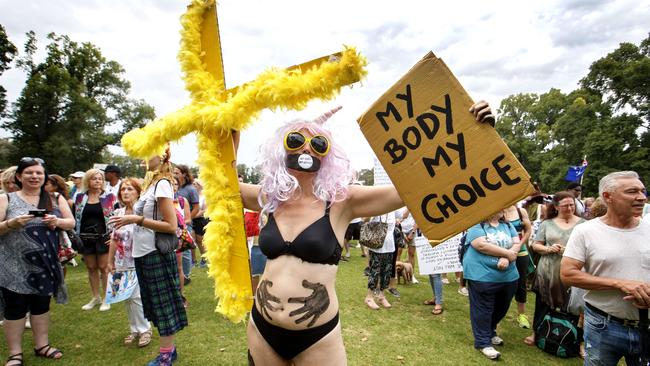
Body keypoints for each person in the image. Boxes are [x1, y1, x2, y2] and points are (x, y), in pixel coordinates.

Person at [239, 101, 496, 364]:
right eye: (295, 140)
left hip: (317, 337)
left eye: (318, 144)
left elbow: (411, 187)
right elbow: (222, 179)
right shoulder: (270, 197)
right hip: (263, 327)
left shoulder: (341, 201)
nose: (306, 147)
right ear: (281, 147)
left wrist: (472, 133)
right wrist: (230, 123)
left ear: (326, 156)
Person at [561, 171, 650, 366]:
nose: (642, 197)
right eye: (632, 191)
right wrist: (619, 284)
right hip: (604, 325)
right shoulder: (586, 231)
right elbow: (567, 274)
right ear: (607, 197)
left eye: (643, 191)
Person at [109, 149, 186, 366]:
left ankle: (166, 355)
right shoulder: (151, 184)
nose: (143, 157)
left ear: (161, 156)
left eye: (148, 152)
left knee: (163, 307)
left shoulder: (162, 183)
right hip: (142, 253)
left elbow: (171, 226)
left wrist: (136, 219)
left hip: (155, 253)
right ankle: (169, 350)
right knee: (153, 305)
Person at [0, 157, 75, 365]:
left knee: (41, 305)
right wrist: (11, 223)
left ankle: (42, 345)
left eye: (39, 173)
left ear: (44, 177)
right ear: (18, 176)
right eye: (29, 173)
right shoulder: (6, 199)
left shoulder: (55, 197)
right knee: (15, 308)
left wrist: (56, 221)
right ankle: (15, 353)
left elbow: (70, 223)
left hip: (45, 263)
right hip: (13, 265)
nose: (34, 176)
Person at [524, 191, 584, 346]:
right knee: (542, 302)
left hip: (572, 270)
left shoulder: (584, 224)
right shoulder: (547, 223)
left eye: (572, 204)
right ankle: (537, 332)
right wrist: (547, 249)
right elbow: (536, 244)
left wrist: (570, 251)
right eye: (565, 205)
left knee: (574, 305)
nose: (570, 208)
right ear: (556, 207)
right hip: (548, 270)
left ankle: (576, 341)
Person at [463, 211, 521, 360]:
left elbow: (516, 242)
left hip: (508, 275)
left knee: (502, 306)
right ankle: (483, 342)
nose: (501, 210)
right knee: (483, 309)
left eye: (503, 208)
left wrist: (507, 257)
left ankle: (491, 330)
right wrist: (507, 254)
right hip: (482, 274)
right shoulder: (476, 224)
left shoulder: (507, 225)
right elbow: (481, 245)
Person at [107, 178, 153, 348]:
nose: (125, 192)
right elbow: (114, 238)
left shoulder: (143, 213)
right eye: (123, 189)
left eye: (130, 189)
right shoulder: (118, 213)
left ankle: (145, 329)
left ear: (138, 192)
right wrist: (110, 260)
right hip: (121, 261)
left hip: (139, 260)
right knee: (126, 297)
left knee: (137, 297)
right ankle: (134, 329)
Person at [74, 168, 117, 312]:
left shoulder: (109, 197)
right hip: (86, 238)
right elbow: (77, 217)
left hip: (104, 237)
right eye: (94, 178)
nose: (97, 181)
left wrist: (113, 235)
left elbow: (116, 216)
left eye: (100, 178)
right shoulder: (80, 197)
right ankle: (96, 297)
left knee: (104, 268)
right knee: (91, 268)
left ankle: (106, 298)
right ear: (88, 180)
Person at [503, 205, 533, 329]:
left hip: (521, 251)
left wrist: (519, 244)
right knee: (501, 283)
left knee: (521, 284)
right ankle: (498, 312)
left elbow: (528, 230)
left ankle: (522, 315)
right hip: (502, 252)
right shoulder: (498, 210)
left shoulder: (521, 211)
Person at [365, 212, 398, 309]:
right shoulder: (377, 208)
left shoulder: (394, 210)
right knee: (374, 272)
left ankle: (381, 296)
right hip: (376, 246)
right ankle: (369, 297)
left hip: (390, 246)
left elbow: (403, 215)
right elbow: (365, 219)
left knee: (386, 272)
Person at [173, 165, 200, 278]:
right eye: (174, 172)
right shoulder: (175, 187)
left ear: (184, 174)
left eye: (177, 172)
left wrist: (185, 221)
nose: (175, 174)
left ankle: (186, 274)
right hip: (173, 224)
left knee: (185, 250)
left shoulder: (190, 189)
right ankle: (179, 274)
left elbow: (196, 208)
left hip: (185, 224)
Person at [191, 179, 209, 267]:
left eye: (195, 184)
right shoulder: (192, 196)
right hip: (191, 219)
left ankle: (204, 259)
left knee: (200, 240)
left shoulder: (204, 196)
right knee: (191, 240)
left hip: (200, 220)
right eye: (193, 184)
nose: (194, 185)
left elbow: (204, 210)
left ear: (199, 185)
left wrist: (192, 216)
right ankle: (193, 260)